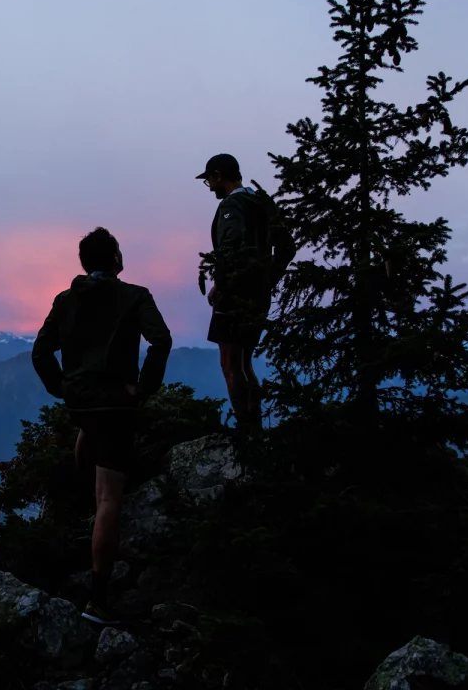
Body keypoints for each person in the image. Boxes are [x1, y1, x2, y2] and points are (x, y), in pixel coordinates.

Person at [32, 227, 172, 625]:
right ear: (114, 258)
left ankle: (77, 510)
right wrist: (143, 389)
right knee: (110, 497)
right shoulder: (135, 295)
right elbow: (161, 340)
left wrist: (61, 388)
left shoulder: (65, 300)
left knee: (87, 434)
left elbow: (41, 351)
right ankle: (98, 598)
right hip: (115, 405)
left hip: (81, 403)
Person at [196, 153, 295, 430]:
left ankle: (246, 431)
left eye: (210, 181)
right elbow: (287, 247)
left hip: (234, 295)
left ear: (218, 175)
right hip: (259, 296)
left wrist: (222, 284)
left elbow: (231, 247)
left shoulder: (232, 205)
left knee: (230, 363)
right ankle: (255, 428)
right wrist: (266, 280)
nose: (210, 187)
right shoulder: (263, 202)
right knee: (245, 361)